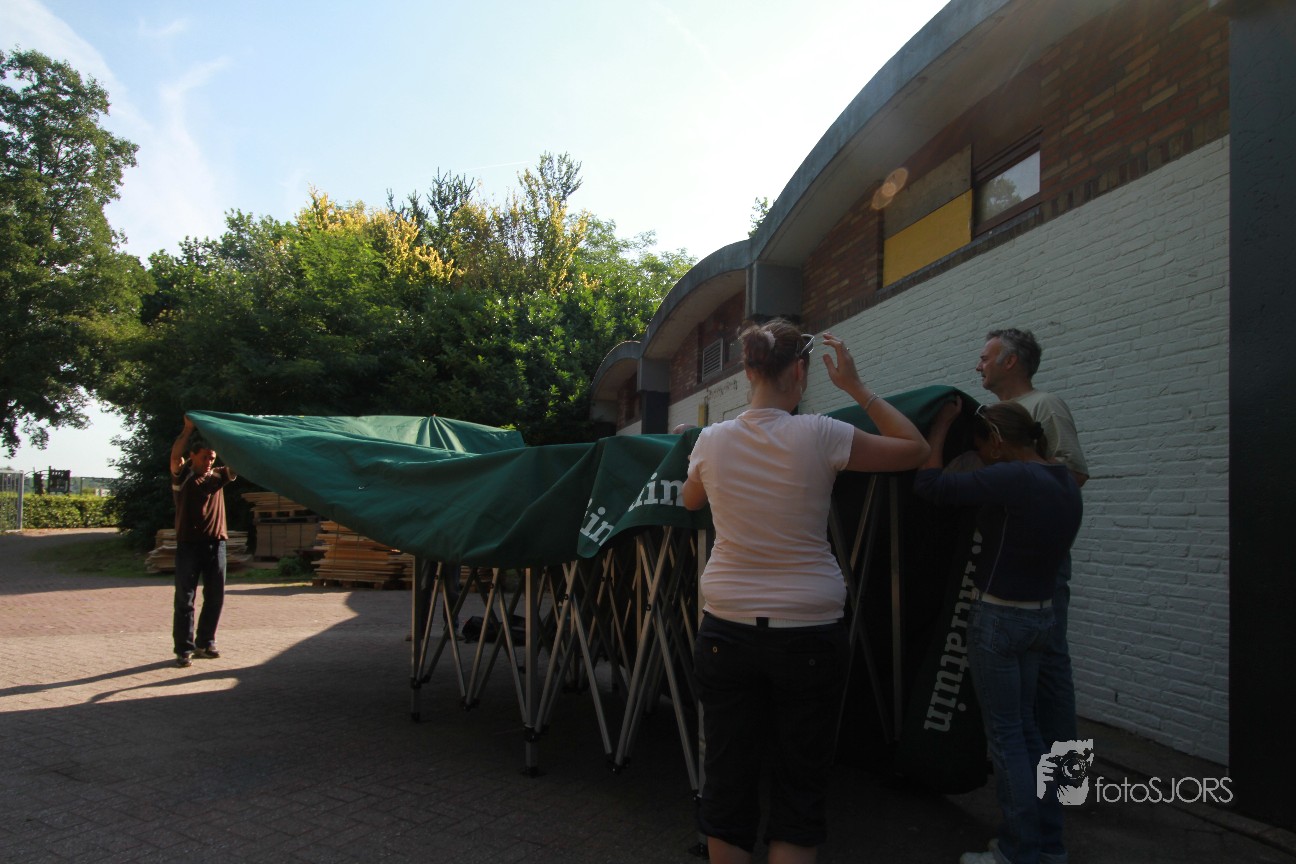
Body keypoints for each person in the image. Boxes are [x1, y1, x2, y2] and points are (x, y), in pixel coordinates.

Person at [681, 318, 929, 864]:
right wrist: (856, 388)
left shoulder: (711, 440)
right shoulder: (822, 433)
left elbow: (690, 500)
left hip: (726, 630)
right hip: (809, 633)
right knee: (799, 788)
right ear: (800, 371)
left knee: (727, 783)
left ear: (748, 370)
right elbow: (914, 449)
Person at [915, 399, 1082, 864]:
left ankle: (1016, 851)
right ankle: (1049, 847)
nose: (983, 456)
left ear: (998, 440)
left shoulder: (1013, 476)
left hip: (999, 620)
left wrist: (941, 427)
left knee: (1007, 740)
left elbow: (929, 485)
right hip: (1040, 617)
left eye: (982, 446)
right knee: (1029, 734)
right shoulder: (1064, 480)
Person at [976, 328, 1087, 748]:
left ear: (1010, 362)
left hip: (1039, 562)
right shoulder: (990, 414)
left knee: (1051, 661)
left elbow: (1072, 474)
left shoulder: (1045, 405)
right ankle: (1025, 765)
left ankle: (1065, 775)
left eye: (985, 357)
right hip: (1000, 561)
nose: (978, 365)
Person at [169, 416, 237, 668]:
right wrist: (188, 429)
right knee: (185, 599)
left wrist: (227, 433)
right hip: (189, 545)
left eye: (212, 458)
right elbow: (175, 457)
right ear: (193, 456)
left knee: (215, 596)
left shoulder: (219, 475)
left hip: (216, 544)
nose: (209, 462)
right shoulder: (183, 476)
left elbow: (238, 463)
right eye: (205, 457)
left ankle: (205, 643)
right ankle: (184, 649)